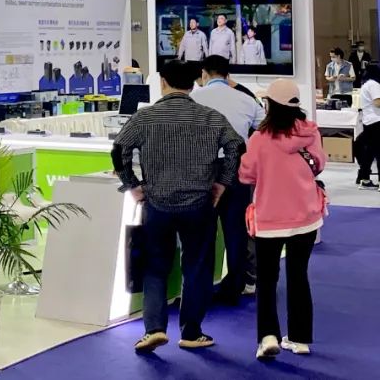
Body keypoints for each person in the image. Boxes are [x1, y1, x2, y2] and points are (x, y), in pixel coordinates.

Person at [111, 59, 244, 353]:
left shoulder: (145, 117)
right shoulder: (211, 117)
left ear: (163, 83)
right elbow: (236, 147)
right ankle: (191, 332)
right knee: (197, 266)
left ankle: (154, 329)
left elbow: (119, 150)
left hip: (157, 202)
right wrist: (222, 183)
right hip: (199, 203)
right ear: (194, 83)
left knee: (154, 266)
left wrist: (132, 185)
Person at [238, 79, 326, 360]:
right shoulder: (310, 132)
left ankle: (268, 337)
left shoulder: (260, 139)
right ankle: (300, 339)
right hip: (306, 216)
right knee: (299, 276)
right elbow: (319, 165)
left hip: (269, 218)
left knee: (266, 280)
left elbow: (246, 175)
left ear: (270, 105)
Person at [192, 56, 261, 305]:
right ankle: (235, 287)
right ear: (227, 74)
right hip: (237, 169)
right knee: (236, 230)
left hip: (203, 169)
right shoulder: (246, 99)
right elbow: (264, 130)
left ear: (204, 73)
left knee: (202, 230)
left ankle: (201, 287)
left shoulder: (193, 98)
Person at [355, 62, 380, 189]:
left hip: (368, 121)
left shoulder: (366, 84)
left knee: (369, 152)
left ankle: (364, 178)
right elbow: (377, 103)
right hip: (376, 121)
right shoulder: (374, 85)